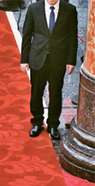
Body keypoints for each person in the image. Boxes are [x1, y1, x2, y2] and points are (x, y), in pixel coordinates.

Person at [21, 0, 78, 140]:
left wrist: (71, 60)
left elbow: (72, 37)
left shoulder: (69, 10)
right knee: (36, 92)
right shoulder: (34, 9)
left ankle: (53, 125)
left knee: (56, 93)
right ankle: (37, 122)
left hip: (58, 59)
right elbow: (27, 35)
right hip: (38, 58)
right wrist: (24, 59)